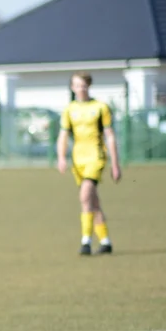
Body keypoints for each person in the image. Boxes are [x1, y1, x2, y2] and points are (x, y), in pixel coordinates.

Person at [56, 72, 121, 255]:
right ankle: (105, 241)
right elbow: (63, 135)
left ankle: (85, 241)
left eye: (84, 85)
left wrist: (115, 164)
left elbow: (110, 136)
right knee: (92, 201)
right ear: (72, 87)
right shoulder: (69, 109)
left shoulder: (100, 107)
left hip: (96, 157)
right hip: (78, 160)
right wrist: (61, 157)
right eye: (77, 85)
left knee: (85, 196)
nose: (81, 89)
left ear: (89, 86)